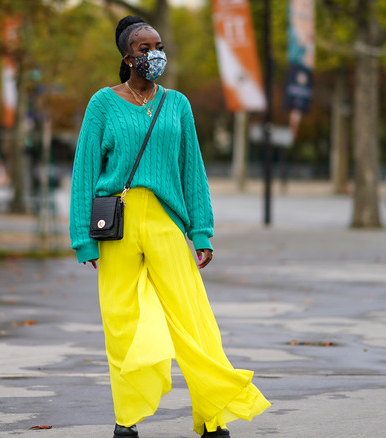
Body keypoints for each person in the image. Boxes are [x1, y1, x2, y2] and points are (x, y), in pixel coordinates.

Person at [69, 15, 270, 438]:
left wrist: (202, 231)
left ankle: (214, 417)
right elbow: (85, 171)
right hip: (118, 225)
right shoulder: (102, 103)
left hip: (166, 221)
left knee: (193, 319)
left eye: (158, 46)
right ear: (128, 56)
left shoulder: (176, 103)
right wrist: (82, 239)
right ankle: (127, 420)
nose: (154, 54)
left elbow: (192, 170)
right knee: (122, 321)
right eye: (145, 48)